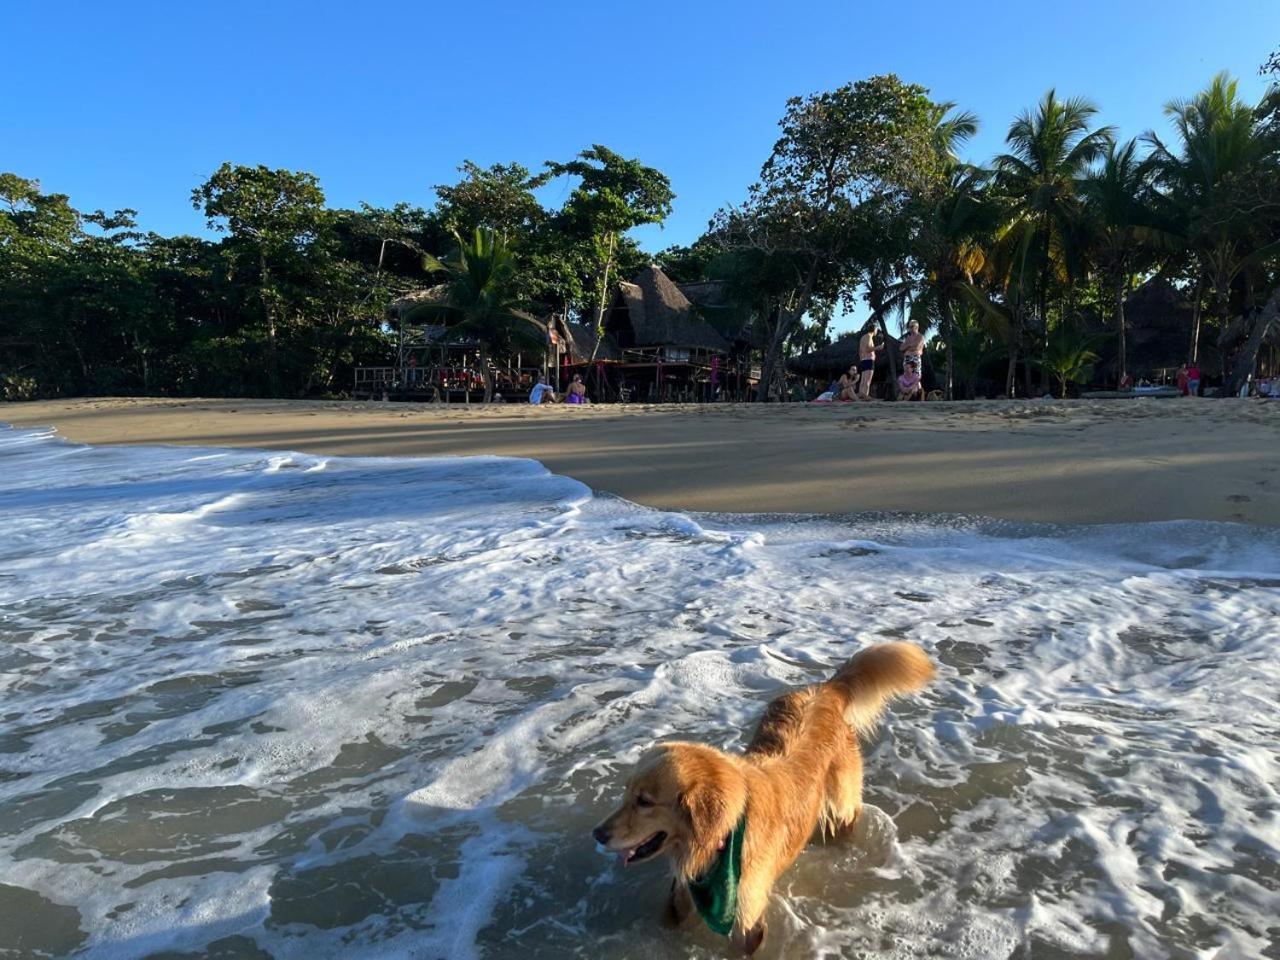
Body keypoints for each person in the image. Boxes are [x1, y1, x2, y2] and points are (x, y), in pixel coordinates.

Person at [857, 322, 882, 400]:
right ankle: (865, 396)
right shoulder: (868, 337)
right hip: (868, 360)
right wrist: (878, 347)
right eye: (876, 330)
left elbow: (860, 350)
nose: (877, 331)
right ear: (874, 329)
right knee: (867, 380)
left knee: (863, 380)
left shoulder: (863, 337)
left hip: (864, 360)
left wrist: (862, 358)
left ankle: (861, 395)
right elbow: (867, 349)